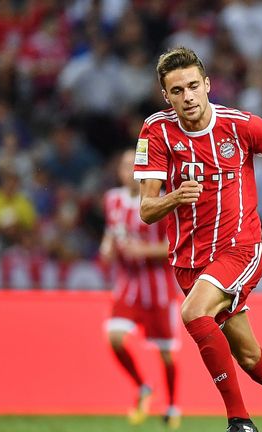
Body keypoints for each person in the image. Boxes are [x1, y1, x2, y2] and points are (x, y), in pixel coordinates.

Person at [133, 46, 262, 432]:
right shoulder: (156, 130)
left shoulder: (240, 126)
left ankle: (239, 421)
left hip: (239, 248)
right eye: (177, 90)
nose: (188, 96)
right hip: (188, 259)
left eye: (194, 86)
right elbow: (146, 210)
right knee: (247, 355)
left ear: (208, 85)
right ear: (166, 95)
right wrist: (175, 197)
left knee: (193, 314)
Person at [100, 149, 182, 429]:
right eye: (122, 165)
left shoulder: (157, 204)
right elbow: (112, 233)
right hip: (128, 285)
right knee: (114, 337)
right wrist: (107, 248)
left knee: (166, 354)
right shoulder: (112, 201)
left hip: (158, 287)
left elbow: (174, 245)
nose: (127, 171)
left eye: (131, 165)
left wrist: (144, 250)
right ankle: (143, 387)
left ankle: (172, 406)